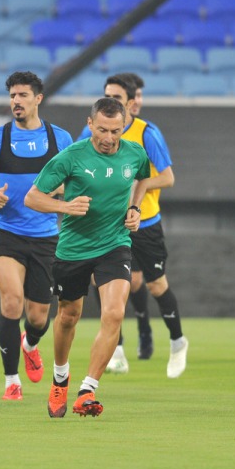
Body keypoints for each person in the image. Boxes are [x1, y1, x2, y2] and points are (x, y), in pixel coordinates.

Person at [26, 97, 151, 417]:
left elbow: (143, 176)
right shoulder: (71, 157)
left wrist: (135, 207)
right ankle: (59, 378)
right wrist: (64, 206)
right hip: (73, 249)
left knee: (113, 313)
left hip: (115, 245)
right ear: (90, 124)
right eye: (103, 130)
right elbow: (33, 198)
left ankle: (87, 390)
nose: (109, 138)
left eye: (116, 131)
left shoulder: (135, 152)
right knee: (68, 317)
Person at [81, 74, 189, 378]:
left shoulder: (146, 133)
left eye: (117, 97)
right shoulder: (92, 130)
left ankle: (178, 341)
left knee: (156, 284)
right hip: (107, 224)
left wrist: (135, 184)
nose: (111, 102)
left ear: (131, 102)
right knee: (102, 283)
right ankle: (116, 351)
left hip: (145, 222)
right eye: (107, 96)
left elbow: (167, 178)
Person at [0, 71, 73, 400]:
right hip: (7, 233)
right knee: (11, 302)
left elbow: (74, 180)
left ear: (38, 98)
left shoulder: (60, 139)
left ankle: (30, 343)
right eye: (12, 96)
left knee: (38, 317)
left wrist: (56, 191)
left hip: (46, 236)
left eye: (22, 95)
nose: (16, 101)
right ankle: (11, 381)